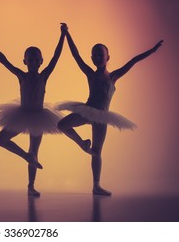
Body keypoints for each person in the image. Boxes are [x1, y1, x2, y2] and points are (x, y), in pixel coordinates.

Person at [56, 23, 163, 196]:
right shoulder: (90, 73)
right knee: (62, 125)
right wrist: (66, 34)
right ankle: (82, 144)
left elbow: (133, 61)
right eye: (94, 54)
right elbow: (75, 55)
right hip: (88, 110)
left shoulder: (113, 77)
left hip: (102, 116)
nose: (97, 57)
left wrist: (151, 51)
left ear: (108, 57)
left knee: (97, 152)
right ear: (92, 58)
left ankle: (96, 185)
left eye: (101, 54)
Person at [0, 24, 66, 197]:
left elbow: (56, 57)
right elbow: (3, 60)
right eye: (30, 60)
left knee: (35, 151)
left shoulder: (44, 75)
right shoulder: (21, 75)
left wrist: (63, 36)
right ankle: (25, 156)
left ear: (41, 61)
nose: (34, 62)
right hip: (21, 115)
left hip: (39, 117)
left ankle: (31, 186)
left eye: (37, 59)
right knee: (1, 139)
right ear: (25, 61)